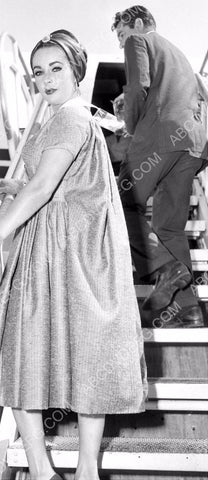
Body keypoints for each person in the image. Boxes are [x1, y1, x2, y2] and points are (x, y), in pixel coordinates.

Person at [0, 29, 147, 480]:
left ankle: (46, 470)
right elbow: (59, 181)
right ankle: (77, 471)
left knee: (19, 356)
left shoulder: (70, 119)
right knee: (86, 357)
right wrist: (18, 187)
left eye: (56, 69)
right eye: (38, 71)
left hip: (64, 250)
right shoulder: (64, 119)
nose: (46, 79)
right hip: (62, 244)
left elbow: (46, 185)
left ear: (75, 71)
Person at [112, 6, 208, 328]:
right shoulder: (179, 53)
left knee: (117, 203)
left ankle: (164, 267)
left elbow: (138, 88)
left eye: (122, 34)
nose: (122, 42)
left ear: (137, 24)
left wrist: (130, 126)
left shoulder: (139, 42)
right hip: (192, 146)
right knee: (169, 228)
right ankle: (189, 308)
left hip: (159, 137)